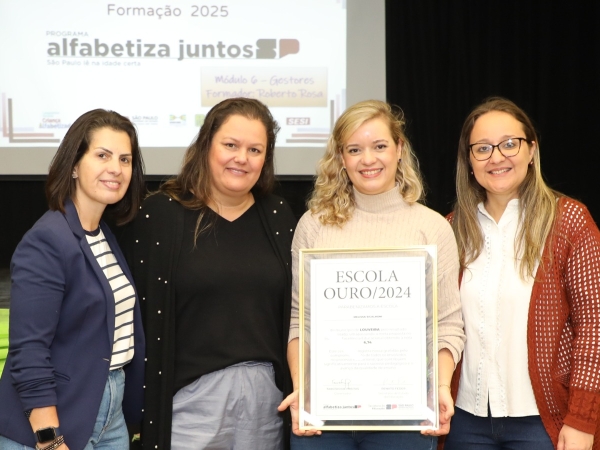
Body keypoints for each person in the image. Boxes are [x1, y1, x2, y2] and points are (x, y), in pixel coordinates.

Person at [278, 100, 466, 449]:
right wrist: (303, 388)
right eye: (354, 149)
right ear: (340, 157)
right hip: (323, 414)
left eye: (379, 146)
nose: (368, 159)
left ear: (399, 149)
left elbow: (447, 324)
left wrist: (439, 387)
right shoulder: (313, 225)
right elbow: (300, 321)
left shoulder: (432, 227)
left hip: (406, 414)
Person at [122, 97, 296, 449]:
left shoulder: (278, 215)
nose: (242, 158)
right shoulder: (161, 214)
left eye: (255, 150)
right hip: (189, 405)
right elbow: (138, 316)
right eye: (230, 145)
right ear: (206, 146)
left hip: (266, 404)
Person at [443, 97, 600, 450]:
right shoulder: (451, 230)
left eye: (509, 144)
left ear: (531, 150)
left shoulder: (569, 222)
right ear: (469, 161)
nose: (497, 157)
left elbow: (594, 327)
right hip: (464, 423)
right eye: (483, 148)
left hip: (544, 424)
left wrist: (582, 419)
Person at [0, 109, 146, 450]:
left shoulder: (103, 234)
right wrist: (49, 439)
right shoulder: (47, 240)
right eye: (102, 155)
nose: (116, 168)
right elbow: (29, 350)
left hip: (109, 415)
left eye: (125, 159)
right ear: (75, 166)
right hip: (52, 423)